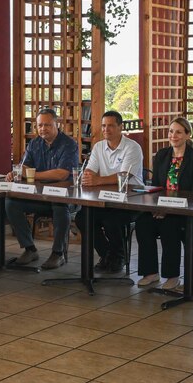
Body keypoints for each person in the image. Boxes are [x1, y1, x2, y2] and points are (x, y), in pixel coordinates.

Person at [135, 117, 193, 292]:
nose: (173, 135)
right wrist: (158, 208)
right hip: (161, 205)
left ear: (188, 135)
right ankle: (150, 272)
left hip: (185, 209)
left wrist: (169, 209)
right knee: (143, 223)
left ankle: (172, 276)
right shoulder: (162, 155)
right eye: (170, 131)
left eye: (178, 132)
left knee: (169, 226)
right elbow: (156, 186)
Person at [5, 108, 80, 269]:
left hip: (65, 197)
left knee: (60, 207)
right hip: (39, 197)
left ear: (56, 124)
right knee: (11, 203)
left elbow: (61, 174)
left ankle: (57, 253)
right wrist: (15, 172)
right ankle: (29, 248)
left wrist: (33, 174)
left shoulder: (69, 144)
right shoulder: (34, 143)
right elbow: (25, 166)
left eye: (47, 125)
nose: (43, 129)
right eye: (39, 125)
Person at [74, 110, 144, 273]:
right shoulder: (99, 146)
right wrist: (89, 177)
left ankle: (117, 256)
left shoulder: (132, 147)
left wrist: (98, 180)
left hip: (131, 200)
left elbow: (124, 176)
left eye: (111, 126)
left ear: (120, 127)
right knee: (83, 217)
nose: (106, 129)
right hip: (105, 198)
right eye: (104, 126)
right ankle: (108, 255)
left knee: (112, 221)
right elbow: (90, 171)